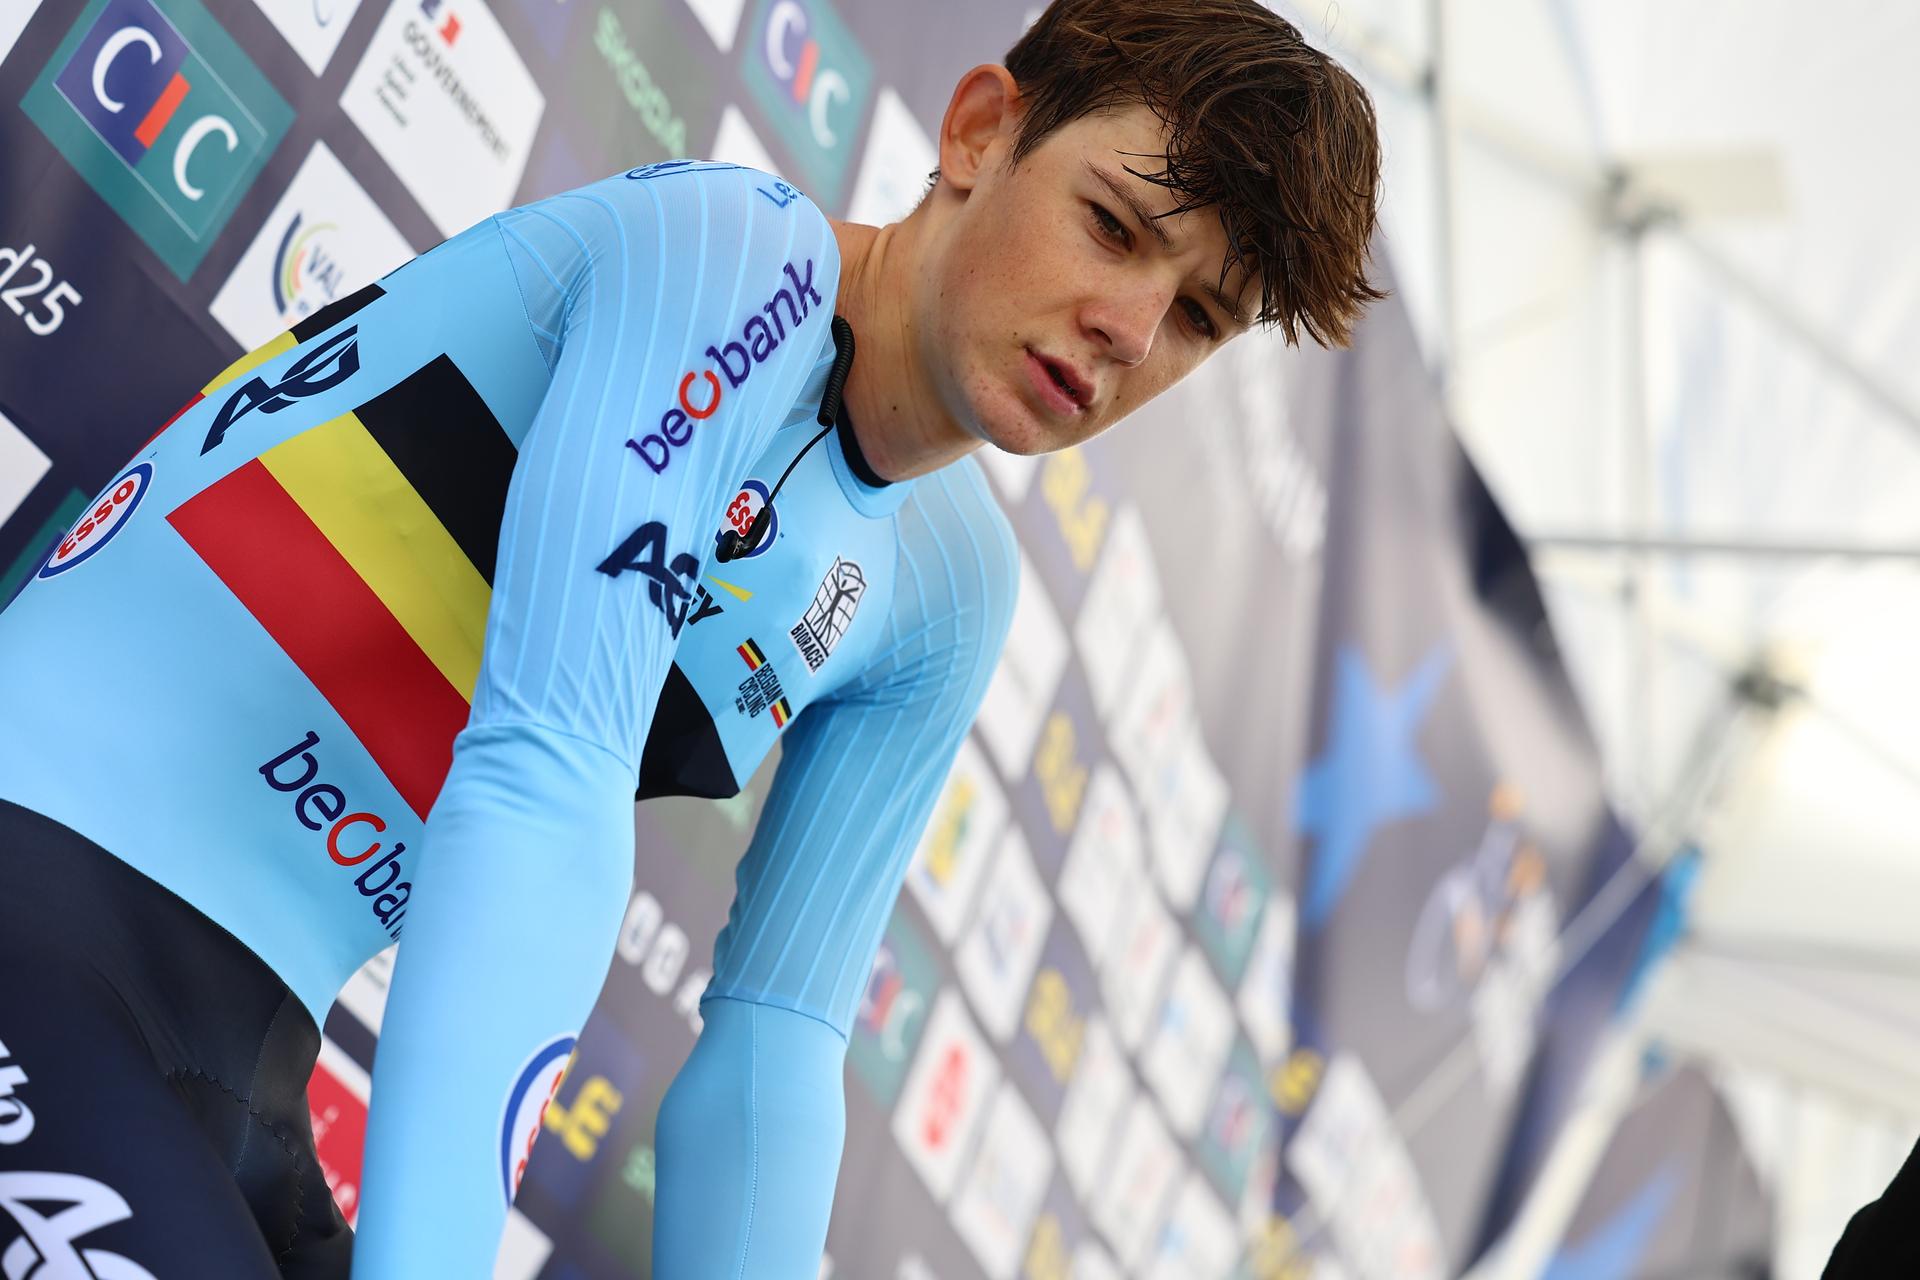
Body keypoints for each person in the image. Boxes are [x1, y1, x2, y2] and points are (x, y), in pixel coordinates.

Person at [0, 0, 1382, 1275]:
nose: (1128, 329)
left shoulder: (948, 590)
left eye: (1198, 317)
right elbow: (545, 770)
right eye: (1116, 229)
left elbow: (778, 1043)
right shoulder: (733, 257)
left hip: (235, 1056)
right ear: (978, 132)